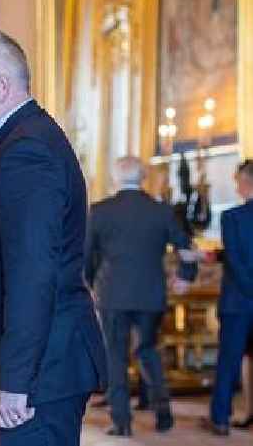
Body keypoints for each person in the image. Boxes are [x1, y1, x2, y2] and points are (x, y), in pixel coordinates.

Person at [0, 30, 107, 446]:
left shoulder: (26, 150)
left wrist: (17, 381)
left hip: (39, 375)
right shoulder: (11, 143)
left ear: (0, 86)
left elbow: (34, 273)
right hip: (40, 365)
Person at [85, 156, 198, 437]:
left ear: (115, 179)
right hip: (151, 294)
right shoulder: (161, 211)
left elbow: (85, 257)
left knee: (116, 356)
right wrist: (185, 275)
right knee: (148, 352)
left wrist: (87, 284)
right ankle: (163, 414)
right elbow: (186, 247)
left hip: (112, 293)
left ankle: (122, 422)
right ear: (143, 178)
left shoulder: (100, 211)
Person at [201, 159, 253, 436]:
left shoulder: (232, 217)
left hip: (238, 302)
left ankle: (220, 418)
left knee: (229, 361)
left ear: (245, 183)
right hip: (243, 298)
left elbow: (236, 260)